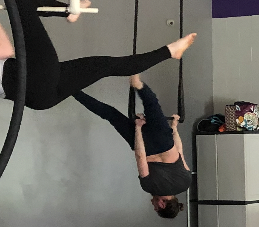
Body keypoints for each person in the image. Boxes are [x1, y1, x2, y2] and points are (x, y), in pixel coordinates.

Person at [0, 0, 195, 106]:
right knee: (20, 0)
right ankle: (69, 11)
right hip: (31, 77)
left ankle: (172, 51)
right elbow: (4, 49)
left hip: (36, 95)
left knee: (106, 65)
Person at [73, 75, 190, 218]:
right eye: (156, 208)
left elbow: (180, 152)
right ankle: (73, 91)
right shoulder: (148, 187)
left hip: (165, 142)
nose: (153, 206)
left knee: (152, 104)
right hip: (145, 146)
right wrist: (138, 129)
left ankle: (139, 85)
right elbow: (140, 156)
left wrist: (174, 128)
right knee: (110, 113)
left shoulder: (185, 183)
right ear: (162, 205)